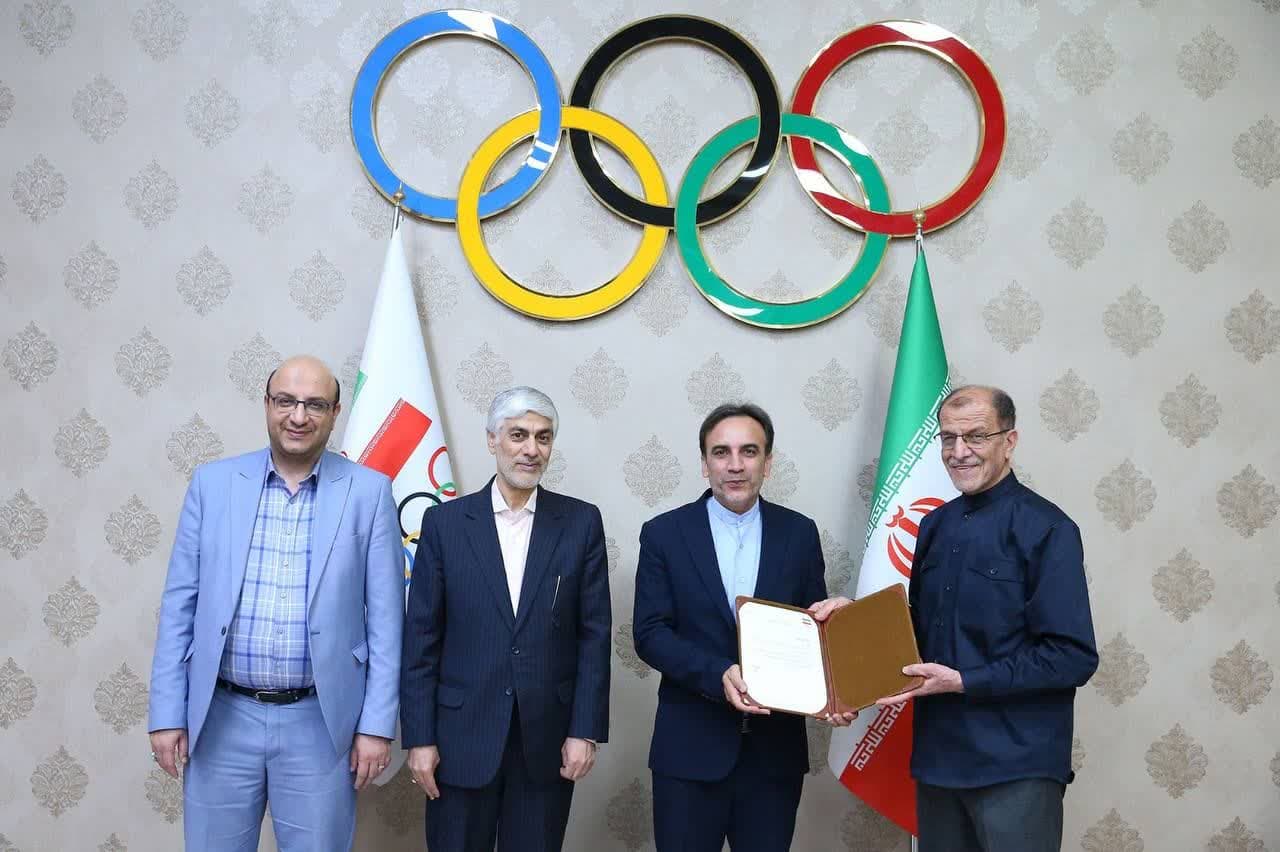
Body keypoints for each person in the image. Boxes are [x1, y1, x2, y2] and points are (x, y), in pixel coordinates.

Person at [814, 385, 1098, 851]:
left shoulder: (1049, 529)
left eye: (976, 436)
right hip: (938, 761)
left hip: (1015, 766)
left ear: (1009, 441)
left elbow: (1072, 656)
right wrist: (855, 622)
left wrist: (966, 680)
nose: (959, 451)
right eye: (948, 438)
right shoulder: (935, 525)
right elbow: (920, 632)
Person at [147, 355, 403, 851]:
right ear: (267, 404)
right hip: (220, 717)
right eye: (286, 401)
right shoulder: (212, 484)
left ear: (335, 413)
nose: (298, 416)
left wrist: (375, 726)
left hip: (321, 723)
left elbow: (388, 623)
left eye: (315, 405)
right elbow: (179, 605)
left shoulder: (369, 493)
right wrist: (166, 713)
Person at [401, 386, 611, 852]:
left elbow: (594, 637)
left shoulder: (580, 523)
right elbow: (421, 640)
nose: (531, 449)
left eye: (543, 437)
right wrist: (419, 738)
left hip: (546, 740)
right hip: (459, 739)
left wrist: (584, 730)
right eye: (518, 435)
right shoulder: (445, 525)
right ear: (492, 440)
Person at [633, 402, 839, 852]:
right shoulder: (664, 533)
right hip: (689, 752)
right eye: (721, 452)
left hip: (774, 758)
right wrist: (717, 673)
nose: (735, 465)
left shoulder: (799, 533)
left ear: (768, 462)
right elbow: (650, 633)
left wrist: (838, 687)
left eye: (749, 451)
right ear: (704, 463)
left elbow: (813, 631)